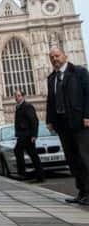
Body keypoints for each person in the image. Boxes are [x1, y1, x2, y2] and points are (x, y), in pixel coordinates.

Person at [46, 47, 89, 205]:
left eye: (57, 56)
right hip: (62, 124)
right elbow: (50, 101)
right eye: (52, 57)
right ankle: (82, 191)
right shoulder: (52, 78)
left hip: (79, 122)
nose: (55, 59)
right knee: (72, 159)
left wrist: (87, 116)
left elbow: (88, 94)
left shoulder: (79, 72)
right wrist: (49, 120)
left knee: (85, 158)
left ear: (65, 56)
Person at [13, 89, 45, 182]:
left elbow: (34, 120)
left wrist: (34, 135)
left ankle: (22, 174)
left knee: (18, 150)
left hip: (26, 134)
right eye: (15, 96)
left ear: (23, 96)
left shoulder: (27, 106)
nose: (16, 98)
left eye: (18, 96)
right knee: (32, 154)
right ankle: (39, 175)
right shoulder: (18, 107)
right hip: (23, 134)